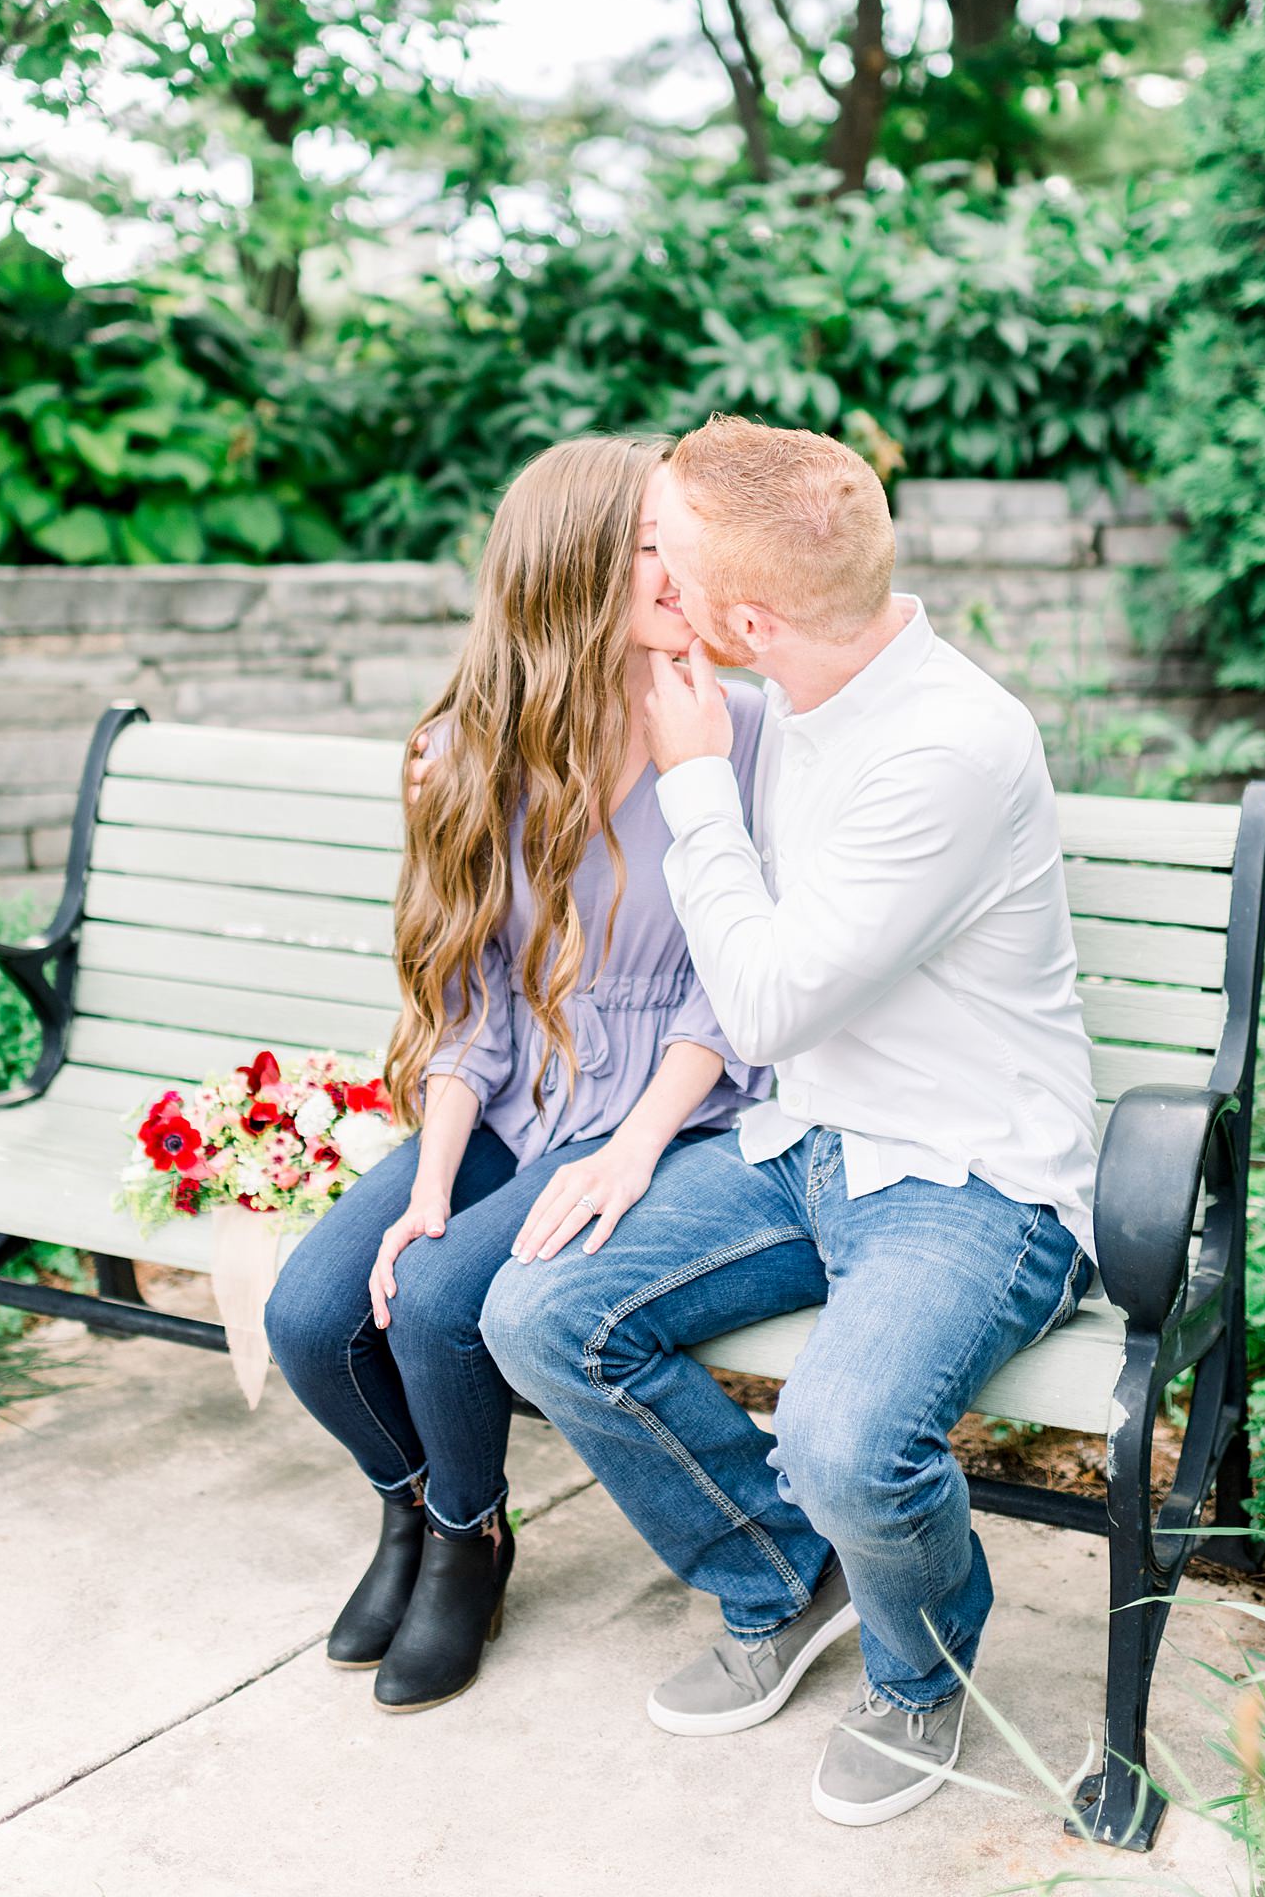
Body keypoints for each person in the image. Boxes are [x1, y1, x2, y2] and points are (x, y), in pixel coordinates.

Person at [480, 416, 1099, 1828]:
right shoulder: (800, 684)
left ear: (744, 619)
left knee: (840, 1437)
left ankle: (919, 1668)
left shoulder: (946, 744)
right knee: (539, 1312)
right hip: (807, 1146)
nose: (647, 578)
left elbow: (758, 1008)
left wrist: (694, 775)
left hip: (968, 1179)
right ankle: (774, 1573)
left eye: (666, 561)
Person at [265, 434, 771, 1714]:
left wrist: (633, 1148)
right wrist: (433, 1175)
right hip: (517, 1096)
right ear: (575, 570)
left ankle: (467, 1543)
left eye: (687, 540)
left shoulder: (738, 727)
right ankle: (426, 1513)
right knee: (314, 1314)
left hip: (679, 1109)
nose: (684, 568)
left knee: (436, 1304)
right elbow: (463, 990)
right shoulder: (467, 748)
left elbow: (739, 984)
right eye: (654, 544)